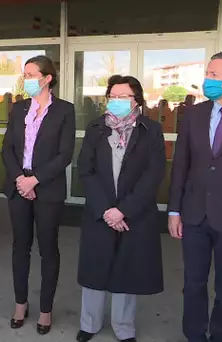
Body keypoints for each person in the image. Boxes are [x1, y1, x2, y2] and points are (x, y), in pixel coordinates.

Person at [76, 75, 165, 342]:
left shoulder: (151, 130)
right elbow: (86, 170)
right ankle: (88, 324)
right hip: (99, 212)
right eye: (112, 96)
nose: (115, 101)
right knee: (95, 267)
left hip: (133, 214)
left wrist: (123, 210)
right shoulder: (96, 128)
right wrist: (106, 209)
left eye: (122, 96)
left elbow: (154, 174)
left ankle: (124, 327)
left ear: (136, 100)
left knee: (128, 269)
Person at [169, 52, 222, 342]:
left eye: (214, 75)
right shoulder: (195, 114)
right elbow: (181, 164)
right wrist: (174, 210)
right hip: (195, 214)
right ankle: (194, 335)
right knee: (193, 284)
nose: (207, 80)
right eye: (207, 73)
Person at [1, 55, 76, 334]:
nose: (27, 79)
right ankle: (20, 303)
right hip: (18, 185)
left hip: (48, 188)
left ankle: (45, 309)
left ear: (47, 78)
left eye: (32, 74)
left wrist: (35, 180)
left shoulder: (65, 110)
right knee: (20, 247)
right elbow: (8, 148)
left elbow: (65, 154)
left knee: (48, 250)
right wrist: (21, 179)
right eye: (25, 74)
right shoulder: (19, 108)